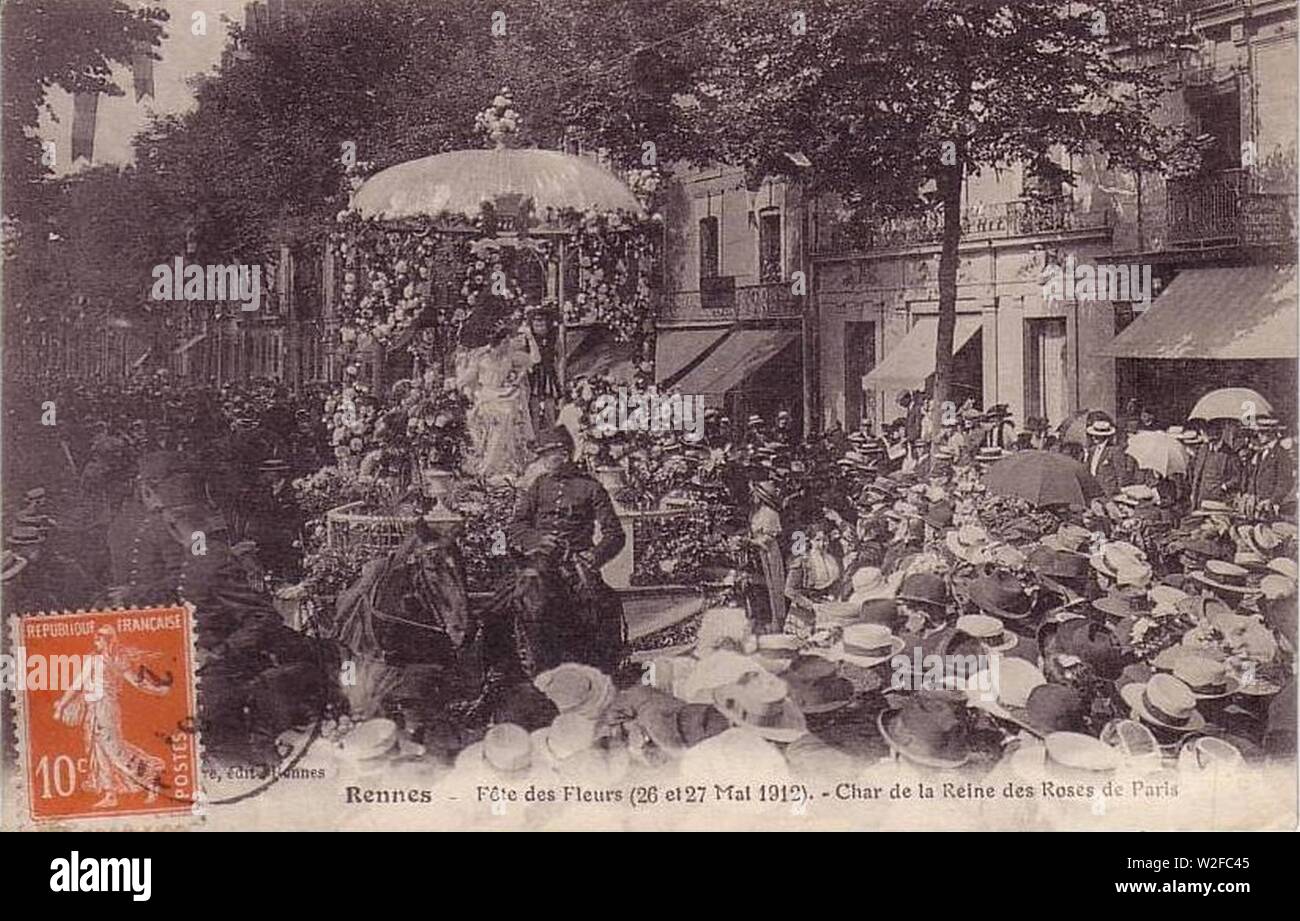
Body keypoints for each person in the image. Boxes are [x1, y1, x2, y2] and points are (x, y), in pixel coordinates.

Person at [498, 426, 626, 677]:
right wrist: (538, 538)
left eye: (549, 455)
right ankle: (505, 655)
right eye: (543, 456)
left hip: (575, 560)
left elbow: (615, 534)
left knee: (602, 601)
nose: (544, 462)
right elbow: (516, 525)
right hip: (539, 557)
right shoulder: (538, 486)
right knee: (506, 596)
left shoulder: (590, 487)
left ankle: (604, 658)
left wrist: (594, 556)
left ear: (565, 455)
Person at [456, 319, 540, 483]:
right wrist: (460, 387)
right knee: (504, 413)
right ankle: (489, 465)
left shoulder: (508, 357)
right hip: (486, 397)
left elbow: (535, 360)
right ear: (500, 342)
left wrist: (530, 337)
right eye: (507, 342)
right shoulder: (481, 357)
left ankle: (505, 462)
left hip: (504, 394)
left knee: (511, 408)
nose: (510, 345)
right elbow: (466, 379)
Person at [783, 521, 843, 638]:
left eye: (825, 540)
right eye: (818, 540)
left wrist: (832, 596)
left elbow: (836, 583)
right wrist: (810, 605)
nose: (822, 544)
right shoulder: (802, 561)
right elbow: (789, 590)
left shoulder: (832, 560)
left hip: (826, 609)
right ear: (810, 541)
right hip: (803, 611)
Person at [1189, 420, 1240, 509]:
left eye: (1209, 431)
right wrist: (1194, 493)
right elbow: (1196, 473)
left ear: (1218, 433)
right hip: (1200, 498)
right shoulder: (1203, 450)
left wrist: (1224, 486)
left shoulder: (1229, 454)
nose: (1205, 433)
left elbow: (1237, 477)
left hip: (1218, 500)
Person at [1084, 412, 1131, 496]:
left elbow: (1120, 474)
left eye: (1097, 435)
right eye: (1093, 435)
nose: (1094, 437)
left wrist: (1118, 491)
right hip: (1094, 489)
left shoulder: (1114, 451)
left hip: (1108, 491)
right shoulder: (1092, 450)